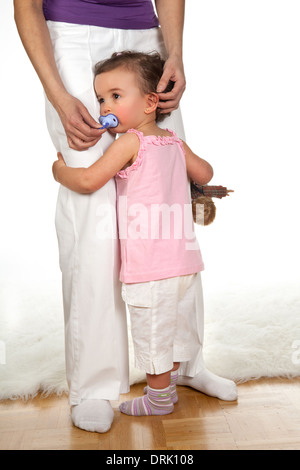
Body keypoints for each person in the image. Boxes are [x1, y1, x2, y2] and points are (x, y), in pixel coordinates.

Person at [14, 0, 237, 433]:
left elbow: (199, 175)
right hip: (72, 39)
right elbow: (26, 7)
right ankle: (94, 386)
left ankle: (182, 364)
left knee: (171, 204)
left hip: (145, 35)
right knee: (95, 215)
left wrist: (174, 53)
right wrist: (58, 95)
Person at [52, 51, 226, 417]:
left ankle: (158, 399)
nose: (104, 107)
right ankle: (173, 385)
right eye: (101, 98)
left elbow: (87, 181)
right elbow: (206, 173)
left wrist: (58, 170)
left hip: (149, 266)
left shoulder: (129, 142)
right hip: (184, 261)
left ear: (150, 102)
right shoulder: (173, 142)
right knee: (175, 326)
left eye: (115, 96)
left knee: (151, 333)